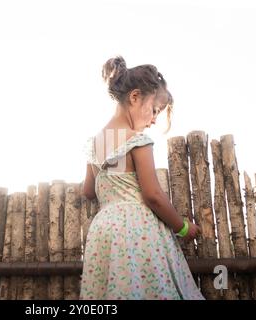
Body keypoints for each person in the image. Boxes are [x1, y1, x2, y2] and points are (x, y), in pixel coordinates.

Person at [80, 55, 204, 300]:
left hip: (103, 231)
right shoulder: (137, 140)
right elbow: (153, 195)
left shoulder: (96, 142)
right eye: (155, 110)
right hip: (135, 231)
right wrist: (182, 228)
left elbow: (88, 191)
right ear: (135, 97)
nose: (154, 119)